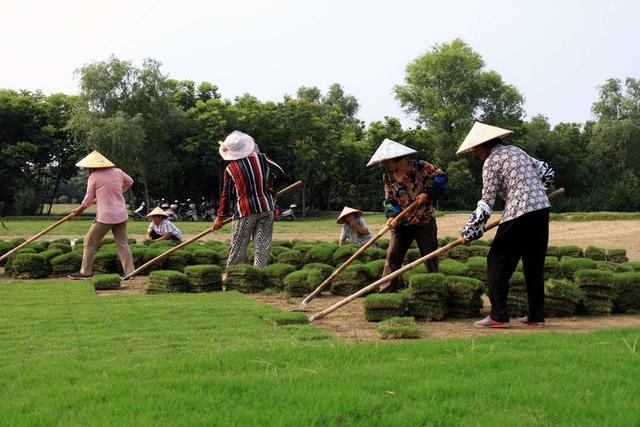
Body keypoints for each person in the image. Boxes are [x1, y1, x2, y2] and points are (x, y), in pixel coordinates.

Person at [457, 122, 555, 328]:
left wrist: (470, 232)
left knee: (497, 262)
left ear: (484, 145)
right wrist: (537, 192)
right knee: (533, 264)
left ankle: (498, 316)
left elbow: (486, 202)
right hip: (541, 210)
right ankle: (536, 316)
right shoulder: (515, 150)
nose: (475, 153)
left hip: (519, 212)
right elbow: (547, 171)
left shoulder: (491, 161)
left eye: (475, 148)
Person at [367, 138, 448, 292]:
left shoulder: (421, 167)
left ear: (395, 158)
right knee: (392, 259)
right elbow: (389, 198)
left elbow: (442, 177)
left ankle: (436, 291)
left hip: (424, 220)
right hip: (401, 223)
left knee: (430, 257)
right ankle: (386, 293)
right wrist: (391, 216)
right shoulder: (388, 176)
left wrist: (428, 194)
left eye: (385, 161)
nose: (383, 165)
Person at [212, 131, 284, 268]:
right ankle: (259, 276)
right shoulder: (263, 159)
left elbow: (226, 195)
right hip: (266, 208)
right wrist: (272, 191)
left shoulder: (231, 169)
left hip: (245, 212)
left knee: (238, 249)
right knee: (262, 248)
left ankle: (231, 278)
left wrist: (220, 218)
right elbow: (279, 172)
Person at [68, 150, 135, 280]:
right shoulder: (118, 172)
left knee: (90, 242)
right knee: (123, 244)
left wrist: (79, 210)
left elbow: (88, 200)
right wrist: (118, 191)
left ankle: (85, 272)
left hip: (106, 217)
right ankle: (130, 273)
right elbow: (130, 181)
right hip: (121, 215)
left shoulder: (94, 177)